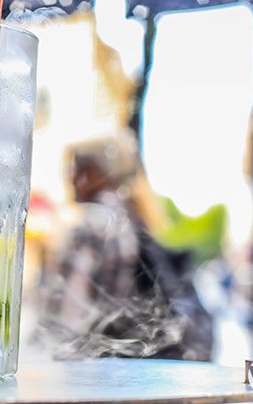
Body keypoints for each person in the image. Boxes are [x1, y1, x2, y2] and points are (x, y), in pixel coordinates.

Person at [36, 129, 213, 361]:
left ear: (98, 172)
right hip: (122, 363)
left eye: (77, 167)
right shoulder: (134, 221)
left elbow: (63, 319)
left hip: (87, 366)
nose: (70, 177)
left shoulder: (92, 225)